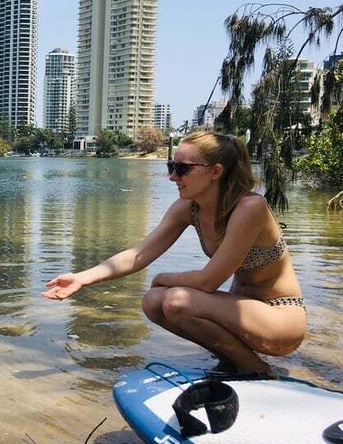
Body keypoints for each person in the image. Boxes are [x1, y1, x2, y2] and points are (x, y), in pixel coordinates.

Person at [42, 130, 306, 375]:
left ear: (215, 171)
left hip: (280, 318)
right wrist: (81, 278)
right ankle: (232, 362)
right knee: (153, 301)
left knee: (175, 300)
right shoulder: (188, 208)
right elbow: (137, 254)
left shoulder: (249, 208)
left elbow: (208, 281)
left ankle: (257, 371)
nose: (172, 177)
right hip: (240, 313)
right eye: (171, 167)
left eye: (182, 169)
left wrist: (161, 278)